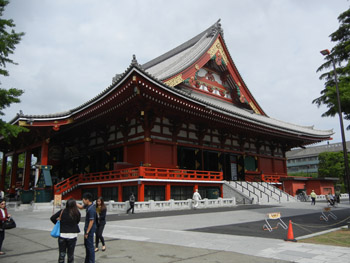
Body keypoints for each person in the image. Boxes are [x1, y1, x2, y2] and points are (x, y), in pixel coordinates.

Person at [50, 198, 81, 263]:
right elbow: (77, 222)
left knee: (62, 254)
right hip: (72, 235)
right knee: (70, 255)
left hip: (63, 235)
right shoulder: (77, 212)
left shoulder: (62, 211)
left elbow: (52, 218)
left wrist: (59, 223)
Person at [82, 192, 96, 263]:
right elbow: (81, 207)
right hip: (88, 230)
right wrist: (73, 203)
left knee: (90, 247)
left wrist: (87, 232)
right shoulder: (89, 206)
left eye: (83, 200)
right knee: (87, 246)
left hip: (89, 230)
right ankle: (87, 261)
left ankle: (91, 261)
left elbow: (91, 221)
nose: (83, 201)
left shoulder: (91, 209)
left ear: (87, 200)